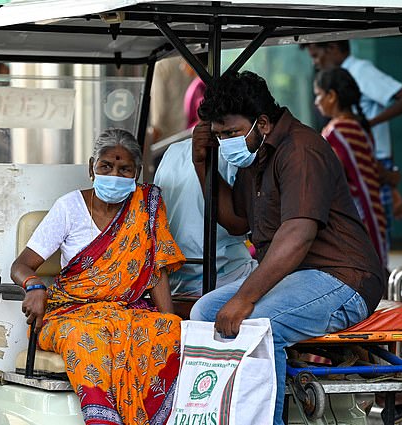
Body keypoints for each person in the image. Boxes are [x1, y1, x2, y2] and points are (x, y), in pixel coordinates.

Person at [188, 71, 384, 425]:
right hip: (294, 277)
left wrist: (244, 298)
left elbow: (297, 233)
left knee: (260, 324)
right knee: (204, 315)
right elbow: (235, 221)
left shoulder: (301, 148)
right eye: (218, 136)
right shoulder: (256, 153)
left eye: (230, 133)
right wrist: (202, 163)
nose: (226, 142)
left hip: (342, 278)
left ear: (261, 123)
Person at [11, 129, 185, 425]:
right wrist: (36, 286)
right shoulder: (69, 207)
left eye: (124, 169)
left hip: (125, 311)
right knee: (86, 339)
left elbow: (156, 272)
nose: (114, 174)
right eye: (106, 166)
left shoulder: (146, 207)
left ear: (136, 173)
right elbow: (21, 266)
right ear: (92, 167)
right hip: (70, 313)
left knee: (173, 332)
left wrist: (168, 321)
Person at [303, 41, 402, 243]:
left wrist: (368, 124)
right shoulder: (349, 127)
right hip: (371, 170)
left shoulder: (360, 71)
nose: (315, 63)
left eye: (316, 56)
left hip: (372, 169)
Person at [153, 138, 258, 296]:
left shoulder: (173, 150)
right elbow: (238, 225)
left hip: (171, 279)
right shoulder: (235, 151)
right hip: (224, 275)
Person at [314, 67, 387, 267]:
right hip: (374, 209)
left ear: (331, 96)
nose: (316, 102)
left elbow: (330, 174)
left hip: (354, 213)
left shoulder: (336, 131)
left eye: (319, 95)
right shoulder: (360, 127)